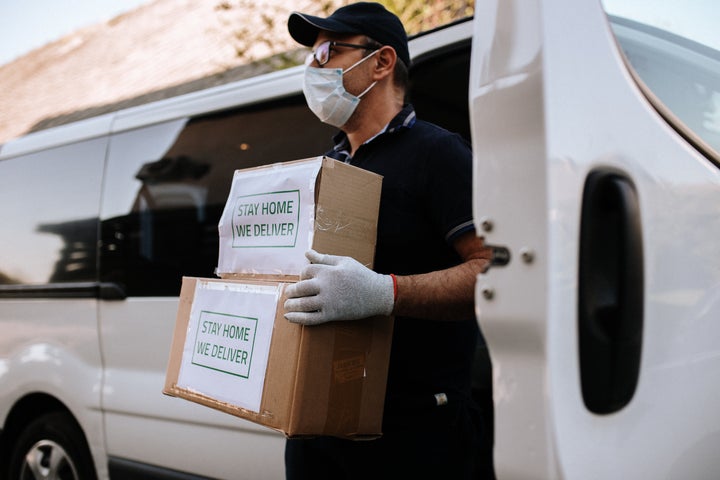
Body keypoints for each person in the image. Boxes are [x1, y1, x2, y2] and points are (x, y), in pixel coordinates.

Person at [283, 3, 495, 479]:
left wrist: (384, 293)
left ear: (381, 62)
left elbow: (496, 272)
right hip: (320, 433)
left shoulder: (438, 153)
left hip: (415, 436)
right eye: (314, 53)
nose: (314, 65)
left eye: (329, 50)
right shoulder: (327, 166)